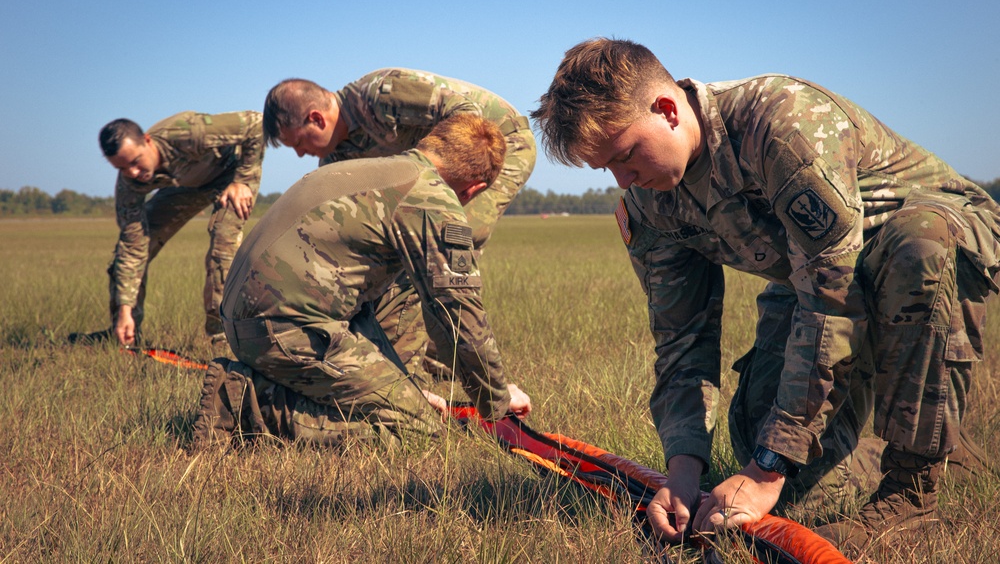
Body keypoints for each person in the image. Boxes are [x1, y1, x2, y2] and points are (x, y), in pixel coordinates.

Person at [531, 38, 1000, 550]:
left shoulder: (780, 124)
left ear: (666, 110)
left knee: (921, 245)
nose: (623, 179)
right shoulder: (649, 205)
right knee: (788, 479)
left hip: (925, 237)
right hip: (812, 276)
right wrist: (682, 472)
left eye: (625, 155)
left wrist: (767, 468)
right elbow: (682, 339)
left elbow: (833, 296)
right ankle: (940, 450)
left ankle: (914, 493)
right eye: (607, 170)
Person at [192, 114, 531, 449]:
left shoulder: (377, 169)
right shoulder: (431, 198)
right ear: (475, 189)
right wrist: (497, 401)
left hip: (257, 319)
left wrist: (402, 387)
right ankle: (245, 405)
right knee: (417, 431)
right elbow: (458, 311)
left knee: (412, 289)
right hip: (284, 329)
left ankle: (366, 395)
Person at [260, 70, 536, 377]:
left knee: (443, 242)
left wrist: (437, 200)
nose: (299, 154)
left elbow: (468, 121)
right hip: (439, 179)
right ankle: (427, 357)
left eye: (298, 141)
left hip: (499, 144)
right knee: (401, 253)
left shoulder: (382, 95)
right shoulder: (336, 160)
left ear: (316, 118)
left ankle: (456, 360)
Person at [70, 111, 264, 353]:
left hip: (230, 176)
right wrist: (124, 309)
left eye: (135, 161)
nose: (132, 172)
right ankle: (123, 333)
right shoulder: (129, 184)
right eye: (121, 168)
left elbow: (256, 123)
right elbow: (133, 247)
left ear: (148, 141)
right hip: (186, 187)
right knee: (124, 255)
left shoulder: (187, 132)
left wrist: (243, 180)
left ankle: (224, 340)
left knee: (222, 248)